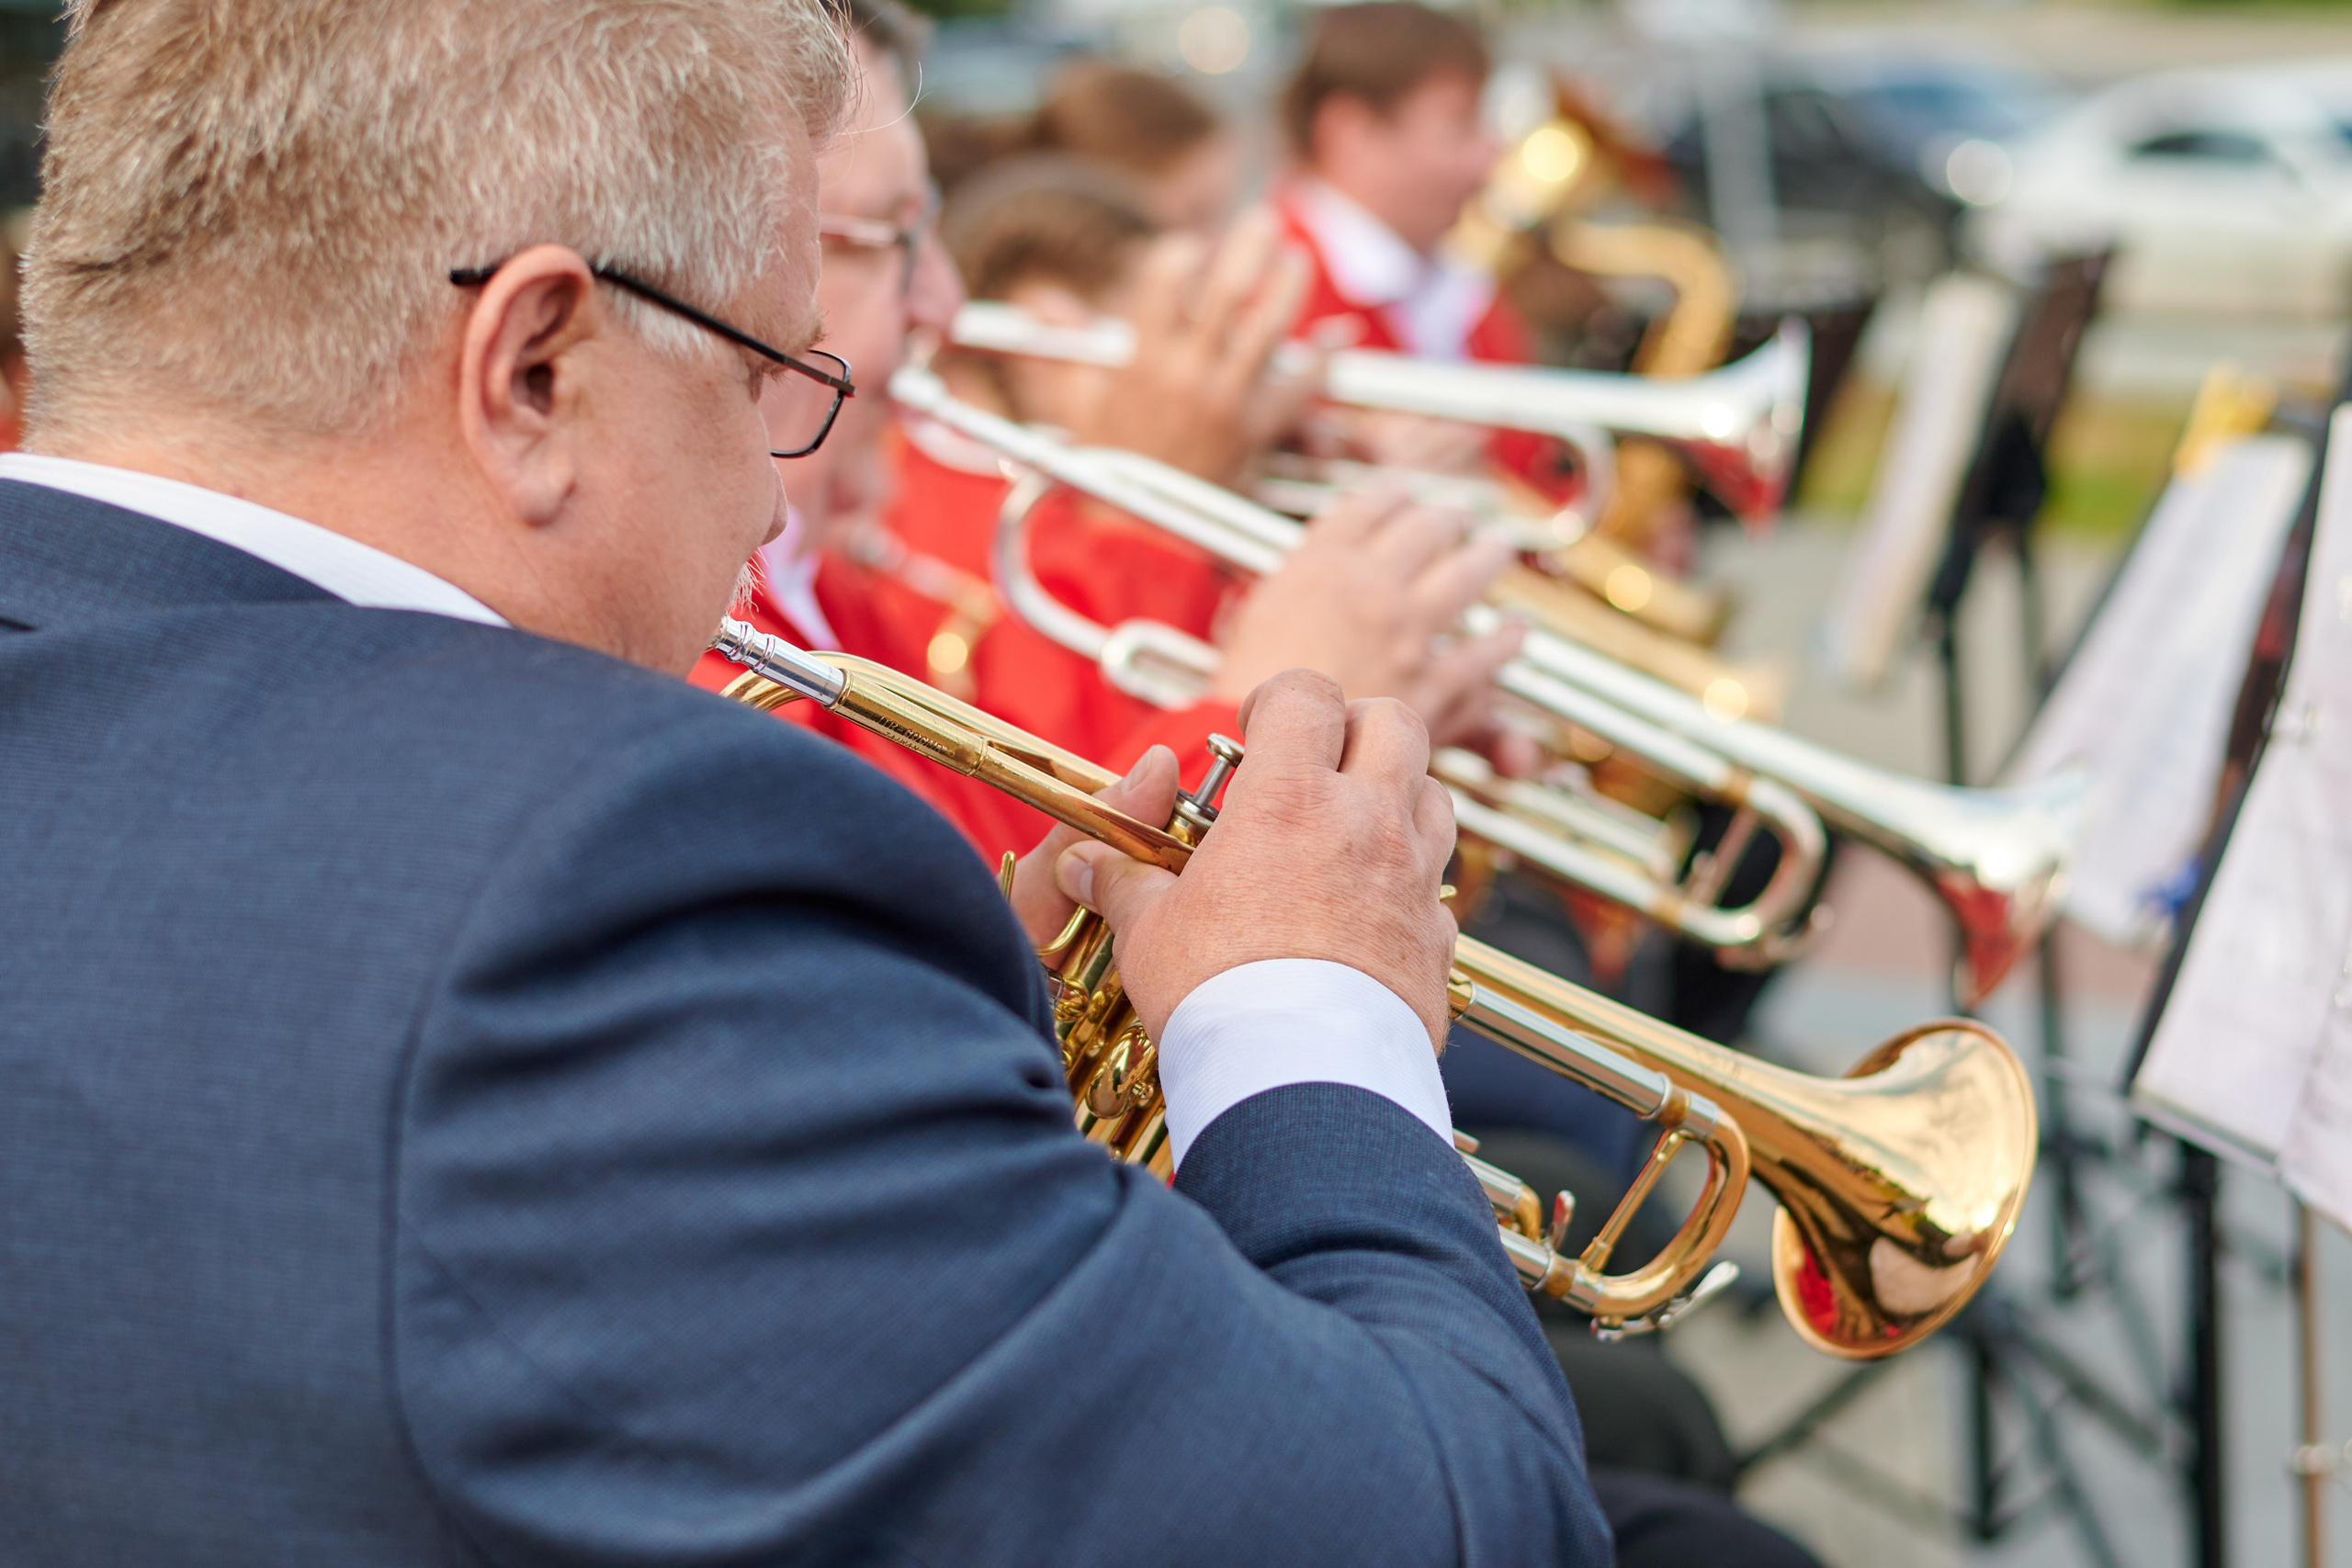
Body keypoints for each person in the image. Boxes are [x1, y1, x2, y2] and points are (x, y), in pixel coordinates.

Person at [0, 1, 1617, 1562]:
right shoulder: (604, 887)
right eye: (766, 372)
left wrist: (956, 1035)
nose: (776, 515)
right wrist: (1300, 1012)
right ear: (534, 373)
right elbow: (1443, 1526)